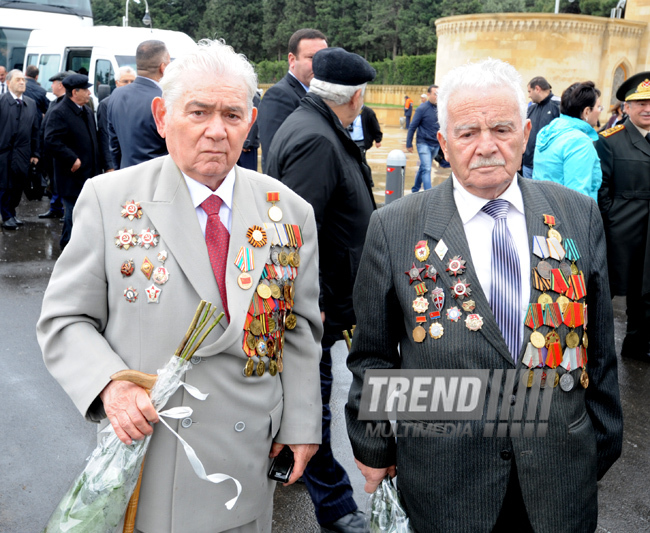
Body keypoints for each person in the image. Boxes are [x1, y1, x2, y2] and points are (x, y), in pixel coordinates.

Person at [37, 39, 322, 533]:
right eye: (199, 112)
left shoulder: (289, 212)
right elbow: (66, 319)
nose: (216, 131)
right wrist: (111, 384)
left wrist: (300, 424)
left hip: (245, 459)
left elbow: (297, 332)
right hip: (153, 453)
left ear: (250, 122)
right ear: (163, 116)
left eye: (232, 115)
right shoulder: (111, 199)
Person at [346, 58, 623, 532]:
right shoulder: (394, 226)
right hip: (445, 479)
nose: (486, 146)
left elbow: (599, 351)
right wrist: (374, 447)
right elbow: (373, 355)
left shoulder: (577, 214)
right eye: (468, 131)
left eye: (501, 128)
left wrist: (596, 442)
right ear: (445, 141)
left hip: (560, 477)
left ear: (526, 131)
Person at [266, 47, 376, 533]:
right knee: (314, 407)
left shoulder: (318, 125)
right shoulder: (315, 137)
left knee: (310, 402)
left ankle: (288, 470)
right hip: (318, 304)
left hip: (328, 297)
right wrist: (315, 309)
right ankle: (335, 508)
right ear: (354, 97)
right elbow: (296, 237)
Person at [596, 71, 650, 362]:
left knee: (646, 291)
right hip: (623, 231)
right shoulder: (610, 140)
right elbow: (602, 188)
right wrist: (612, 220)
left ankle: (637, 343)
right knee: (612, 290)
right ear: (626, 107)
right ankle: (596, 350)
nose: (648, 108)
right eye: (640, 102)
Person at [257, 28, 328, 172]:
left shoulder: (322, 95)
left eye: (324, 58)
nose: (320, 65)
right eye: (312, 58)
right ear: (292, 59)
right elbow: (275, 155)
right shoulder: (278, 96)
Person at [44, 74, 99, 249]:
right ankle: (67, 248)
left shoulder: (87, 111)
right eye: (85, 89)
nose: (89, 93)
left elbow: (93, 140)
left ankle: (77, 249)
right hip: (72, 175)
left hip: (89, 174)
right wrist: (72, 158)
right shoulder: (59, 112)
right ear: (75, 92)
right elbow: (51, 140)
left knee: (84, 215)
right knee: (74, 214)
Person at [532, 81, 602, 201]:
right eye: (598, 107)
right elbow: (578, 196)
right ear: (586, 112)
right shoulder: (579, 142)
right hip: (566, 215)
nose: (600, 111)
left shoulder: (547, 131)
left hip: (543, 207)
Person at [107, 40, 170, 170]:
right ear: (163, 67)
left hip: (126, 175)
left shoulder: (116, 95)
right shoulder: (164, 99)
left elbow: (114, 145)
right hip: (158, 177)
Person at [0, 69, 39, 230]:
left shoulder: (31, 103)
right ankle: (6, 215)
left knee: (18, 185)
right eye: (17, 79)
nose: (22, 82)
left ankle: (12, 212)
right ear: (8, 83)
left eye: (23, 79)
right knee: (4, 186)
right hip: (3, 152)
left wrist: (35, 153)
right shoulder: (2, 101)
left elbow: (36, 130)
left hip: (23, 153)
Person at [38, 70, 73, 219]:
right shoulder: (53, 102)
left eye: (53, 83)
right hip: (49, 152)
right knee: (53, 180)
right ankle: (55, 208)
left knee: (63, 181)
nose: (51, 86)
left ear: (61, 85)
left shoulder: (68, 104)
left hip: (61, 151)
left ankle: (65, 210)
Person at [97, 66, 136, 173]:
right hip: (117, 161)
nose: (129, 84)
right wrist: (110, 165)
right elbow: (104, 136)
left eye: (132, 81)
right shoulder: (106, 104)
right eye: (125, 81)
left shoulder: (139, 103)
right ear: (117, 83)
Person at [522, 76, 560, 179]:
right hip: (528, 165)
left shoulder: (558, 106)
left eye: (529, 91)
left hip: (547, 166)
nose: (529, 95)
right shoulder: (531, 108)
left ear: (537, 89)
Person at [406, 84, 440, 193]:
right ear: (429, 94)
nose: (437, 96)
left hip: (435, 144)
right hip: (423, 143)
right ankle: (428, 195)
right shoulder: (422, 109)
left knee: (423, 168)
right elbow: (412, 126)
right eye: (435, 94)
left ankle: (415, 189)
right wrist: (409, 143)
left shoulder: (441, 109)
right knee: (427, 169)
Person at [236, 90, 261, 171]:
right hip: (238, 143)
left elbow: (255, 121)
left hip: (248, 146)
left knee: (247, 174)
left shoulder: (254, 96)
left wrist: (247, 143)